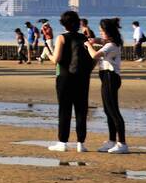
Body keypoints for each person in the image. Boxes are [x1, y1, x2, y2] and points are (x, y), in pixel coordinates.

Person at [48, 10, 93, 152]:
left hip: (65, 77)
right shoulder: (84, 38)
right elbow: (91, 57)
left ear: (64, 24)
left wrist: (48, 53)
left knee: (65, 109)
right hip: (82, 77)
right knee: (81, 109)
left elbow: (56, 59)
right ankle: (81, 143)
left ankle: (62, 142)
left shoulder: (62, 38)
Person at [87, 18, 127, 153]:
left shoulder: (111, 45)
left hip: (110, 77)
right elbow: (102, 41)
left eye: (102, 31)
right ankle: (111, 141)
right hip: (106, 77)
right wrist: (94, 40)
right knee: (107, 110)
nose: (100, 33)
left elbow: (95, 56)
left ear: (108, 32)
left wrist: (88, 45)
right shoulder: (111, 42)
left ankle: (122, 143)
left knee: (113, 111)